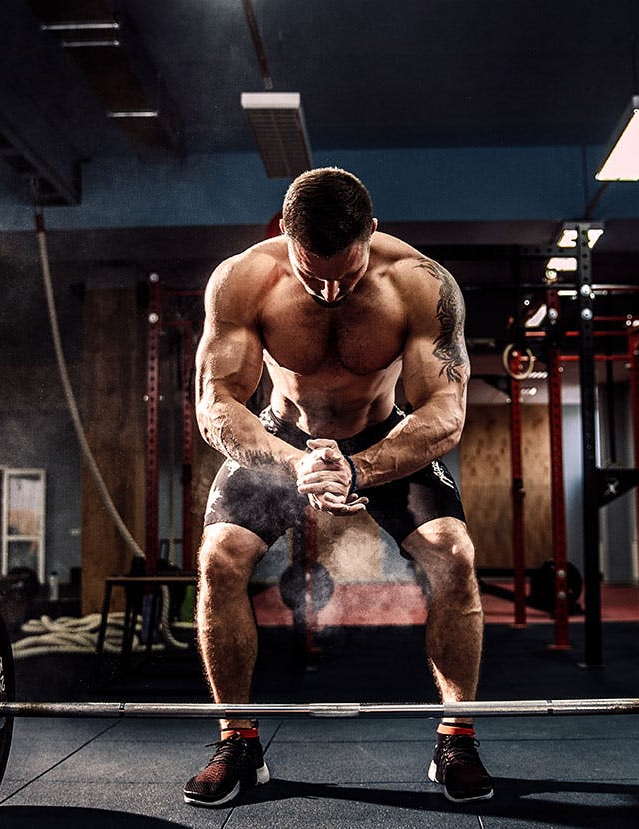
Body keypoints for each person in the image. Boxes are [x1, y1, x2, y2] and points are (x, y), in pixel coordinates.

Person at [184, 167, 491, 807]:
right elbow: (216, 403)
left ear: (370, 235)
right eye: (312, 273)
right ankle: (236, 740)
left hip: (380, 438)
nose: (328, 290)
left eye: (345, 275)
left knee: (454, 557)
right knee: (220, 560)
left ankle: (457, 737)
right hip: (281, 439)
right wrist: (289, 463)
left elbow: (443, 410)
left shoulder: (420, 284)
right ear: (286, 235)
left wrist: (360, 468)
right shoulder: (244, 280)